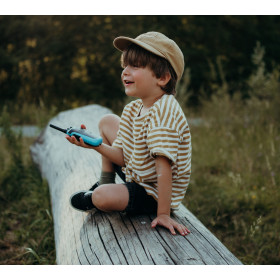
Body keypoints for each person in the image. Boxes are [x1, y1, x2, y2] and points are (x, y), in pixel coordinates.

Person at [66, 31, 192, 236]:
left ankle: (96, 196)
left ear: (162, 77)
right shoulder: (133, 109)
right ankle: (106, 180)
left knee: (101, 197)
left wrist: (164, 213)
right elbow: (122, 156)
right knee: (107, 121)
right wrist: (94, 145)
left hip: (153, 192)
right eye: (125, 65)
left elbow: (164, 168)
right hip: (137, 172)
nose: (125, 71)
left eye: (135, 66)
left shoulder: (165, 113)